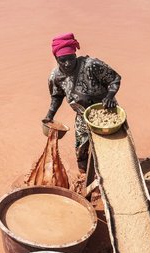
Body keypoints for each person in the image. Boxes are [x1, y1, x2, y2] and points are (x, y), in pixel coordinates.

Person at [43, 33, 121, 172]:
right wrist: (50, 115)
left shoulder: (91, 65)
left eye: (71, 58)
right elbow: (57, 96)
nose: (67, 63)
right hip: (82, 115)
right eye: (62, 60)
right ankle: (84, 175)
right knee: (81, 150)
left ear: (75, 55)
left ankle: (112, 170)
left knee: (113, 146)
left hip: (106, 111)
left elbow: (114, 79)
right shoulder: (55, 77)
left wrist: (109, 96)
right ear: (56, 58)